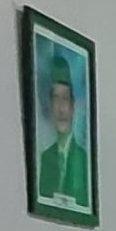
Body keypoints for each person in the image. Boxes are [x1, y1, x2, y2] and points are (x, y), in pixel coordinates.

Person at [34, 55, 90, 211]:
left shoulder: (84, 160)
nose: (61, 108)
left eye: (65, 98)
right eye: (55, 98)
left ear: (73, 104)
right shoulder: (45, 159)